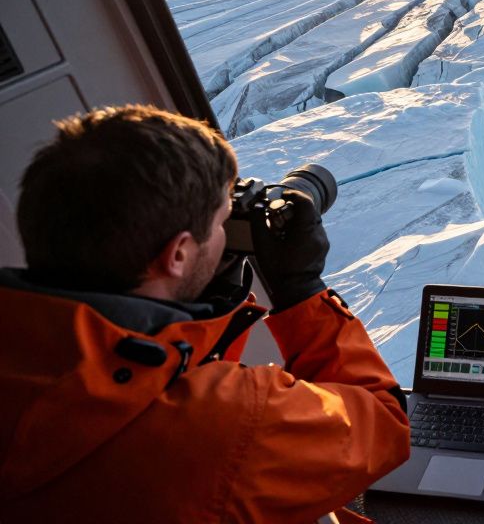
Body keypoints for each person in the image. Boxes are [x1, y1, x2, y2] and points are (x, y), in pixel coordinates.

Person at [0, 105, 410, 522]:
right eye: (221, 222)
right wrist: (301, 289)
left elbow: (166, 376)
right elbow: (382, 422)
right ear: (178, 254)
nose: (226, 234)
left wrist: (208, 296)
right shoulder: (229, 424)